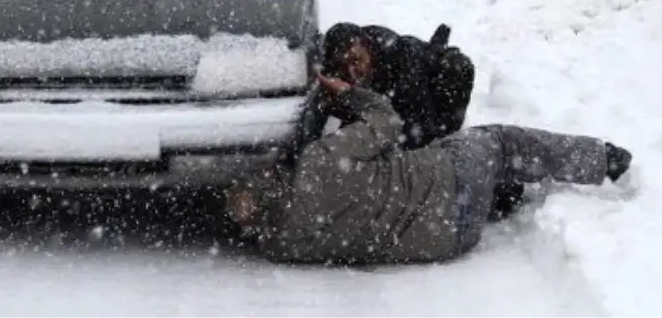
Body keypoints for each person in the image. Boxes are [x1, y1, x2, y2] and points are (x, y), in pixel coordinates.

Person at [228, 76, 633, 265]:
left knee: (467, 172)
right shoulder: (321, 160)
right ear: (271, 175)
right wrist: (351, 95)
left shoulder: (282, 248)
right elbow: (388, 123)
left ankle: (507, 196)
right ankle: (602, 160)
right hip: (452, 180)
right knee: (499, 141)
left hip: (449, 240)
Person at [319, 22, 526, 220]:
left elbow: (419, 130)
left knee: (428, 152)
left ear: (368, 48)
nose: (352, 72)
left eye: (356, 61)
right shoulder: (338, 70)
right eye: (342, 66)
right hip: (392, 105)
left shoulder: (403, 63)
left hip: (428, 96)